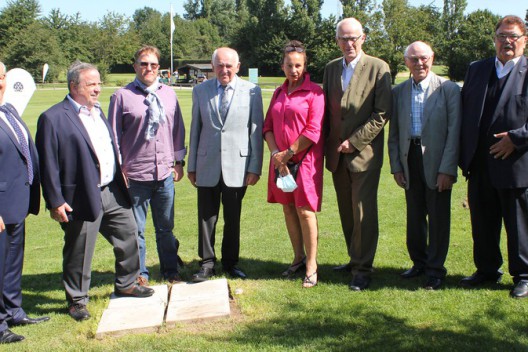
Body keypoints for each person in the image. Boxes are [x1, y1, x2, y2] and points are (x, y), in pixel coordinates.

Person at [36, 61, 154, 322]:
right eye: (91, 84)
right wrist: (55, 201)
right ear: (73, 86)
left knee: (129, 234)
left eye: (99, 83)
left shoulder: (97, 111)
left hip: (112, 190)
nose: (98, 89)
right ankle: (77, 300)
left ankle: (127, 283)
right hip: (80, 196)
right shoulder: (53, 118)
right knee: (80, 249)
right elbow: (48, 165)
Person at [458, 15, 528, 298]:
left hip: (516, 163)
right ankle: (487, 269)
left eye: (513, 36)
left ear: (524, 40)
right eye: (501, 36)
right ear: (494, 39)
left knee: (519, 224)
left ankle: (524, 275)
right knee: (483, 222)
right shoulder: (477, 69)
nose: (506, 41)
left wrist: (517, 138)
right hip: (479, 162)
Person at [323, 17, 392, 291]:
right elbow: (326, 112)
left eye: (353, 38)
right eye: (343, 38)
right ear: (337, 40)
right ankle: (355, 259)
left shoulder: (378, 68)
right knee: (346, 211)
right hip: (336, 155)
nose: (349, 43)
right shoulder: (330, 69)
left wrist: (355, 141)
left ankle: (363, 269)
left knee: (363, 211)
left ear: (363, 38)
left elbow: (382, 113)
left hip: (363, 154)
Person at [108, 46, 186, 286]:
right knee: (136, 230)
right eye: (144, 64)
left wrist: (179, 161)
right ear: (135, 66)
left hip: (164, 173)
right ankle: (140, 273)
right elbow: (113, 135)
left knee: (166, 228)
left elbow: (177, 129)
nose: (149, 68)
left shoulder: (169, 94)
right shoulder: (121, 96)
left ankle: (170, 270)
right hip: (135, 175)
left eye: (153, 64)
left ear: (158, 67)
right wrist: (119, 168)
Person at [388, 41, 461, 290]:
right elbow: (394, 134)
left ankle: (435, 270)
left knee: (439, 218)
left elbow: (454, 133)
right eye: (413, 59)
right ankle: (419, 263)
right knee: (414, 215)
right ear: (406, 61)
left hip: (438, 160)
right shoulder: (398, 92)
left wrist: (448, 169)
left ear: (432, 58)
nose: (419, 63)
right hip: (410, 160)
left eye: (424, 58)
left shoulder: (448, 89)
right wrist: (396, 166)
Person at [188, 47, 264, 282]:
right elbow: (195, 129)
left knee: (233, 217)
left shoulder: (252, 91)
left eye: (229, 65)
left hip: (238, 166)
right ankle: (207, 263)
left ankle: (231, 262)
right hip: (207, 163)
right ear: (213, 67)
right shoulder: (200, 90)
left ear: (238, 67)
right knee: (206, 216)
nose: (224, 70)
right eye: (220, 65)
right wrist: (192, 165)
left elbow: (256, 130)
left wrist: (255, 167)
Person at [263, 40, 325, 288]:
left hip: (305, 162)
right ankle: (298, 257)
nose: (294, 70)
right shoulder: (279, 92)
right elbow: (267, 126)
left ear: (305, 65)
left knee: (305, 211)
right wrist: (277, 154)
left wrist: (287, 153)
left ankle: (312, 264)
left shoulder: (315, 93)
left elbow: (313, 131)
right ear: (282, 66)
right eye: (289, 65)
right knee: (287, 208)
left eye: (298, 65)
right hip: (281, 162)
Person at [0, 62, 49, 343]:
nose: (0, 82)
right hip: (1, 206)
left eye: (1, 77)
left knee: (13, 263)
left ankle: (14, 310)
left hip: (17, 202)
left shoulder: (8, 111)